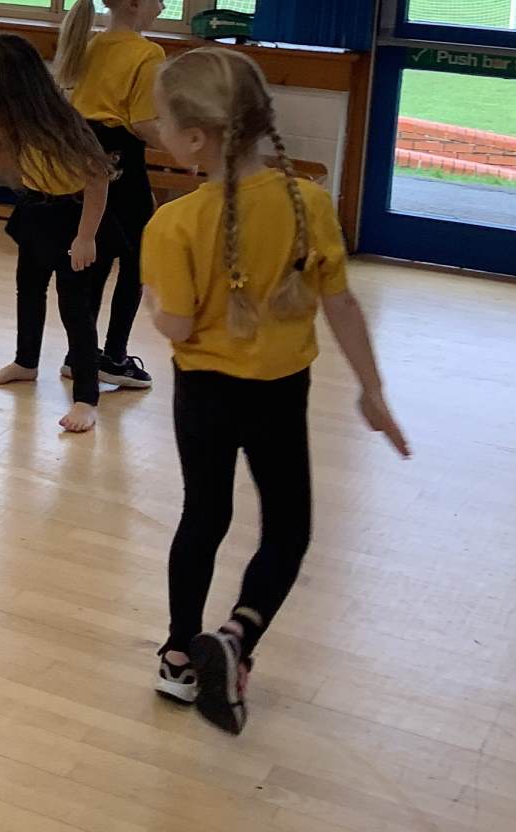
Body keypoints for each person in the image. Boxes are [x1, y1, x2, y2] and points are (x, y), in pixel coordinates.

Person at [141, 47, 407, 733]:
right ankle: (237, 635)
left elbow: (176, 324)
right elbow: (341, 304)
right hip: (280, 394)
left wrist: (152, 301)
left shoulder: (172, 223)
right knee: (288, 530)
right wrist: (372, 390)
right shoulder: (308, 201)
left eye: (162, 120)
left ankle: (178, 654)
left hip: (203, 393)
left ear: (194, 139)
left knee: (204, 515)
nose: (157, 129)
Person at [0, 33, 116, 433]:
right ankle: (26, 362)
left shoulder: (60, 122)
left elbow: (98, 178)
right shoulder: (18, 117)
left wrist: (86, 237)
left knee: (75, 310)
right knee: (29, 289)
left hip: (73, 219)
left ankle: (86, 397)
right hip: (37, 210)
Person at [51, 0, 171, 391]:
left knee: (96, 261)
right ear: (136, 3)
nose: (163, 6)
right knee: (136, 264)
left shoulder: (87, 44)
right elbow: (142, 124)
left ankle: (80, 355)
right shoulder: (148, 53)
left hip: (86, 160)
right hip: (122, 163)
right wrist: (182, 144)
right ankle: (115, 357)